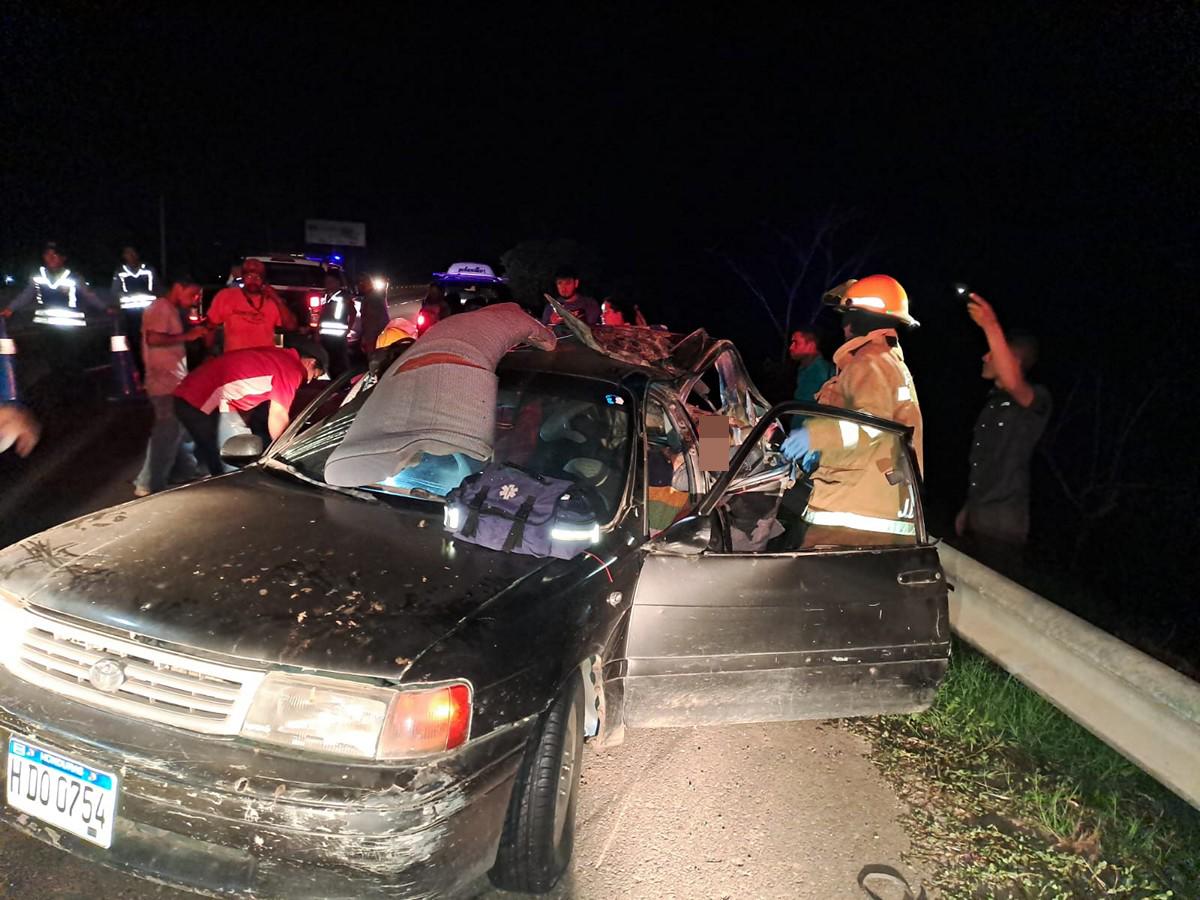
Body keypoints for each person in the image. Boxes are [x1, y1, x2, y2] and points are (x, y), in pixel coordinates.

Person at [780, 275, 923, 546]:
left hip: (854, 515)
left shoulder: (870, 362)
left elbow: (871, 424)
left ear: (859, 317)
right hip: (867, 507)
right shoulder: (882, 361)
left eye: (847, 315)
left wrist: (814, 437)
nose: (844, 325)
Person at [955, 293, 1052, 567]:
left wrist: (991, 325)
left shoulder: (1036, 400)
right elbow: (986, 464)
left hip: (1002, 528)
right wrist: (968, 509)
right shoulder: (993, 404)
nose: (985, 356)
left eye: (993, 350)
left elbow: (1014, 383)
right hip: (978, 518)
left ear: (1014, 360)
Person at [174, 342, 328, 476]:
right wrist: (286, 452)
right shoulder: (292, 369)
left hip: (201, 394)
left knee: (234, 450)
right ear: (310, 362)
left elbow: (245, 390)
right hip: (200, 398)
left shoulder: (278, 356)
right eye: (313, 376)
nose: (308, 381)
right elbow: (278, 415)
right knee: (226, 462)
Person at [132, 279, 207, 496]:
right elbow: (153, 338)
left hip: (173, 379)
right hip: (163, 381)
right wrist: (187, 336)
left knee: (179, 427)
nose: (195, 300)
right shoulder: (160, 307)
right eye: (192, 293)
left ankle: (186, 470)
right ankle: (147, 483)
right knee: (166, 430)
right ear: (178, 287)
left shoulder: (170, 309)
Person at [1, 242, 109, 327]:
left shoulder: (75, 278)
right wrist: (10, 309)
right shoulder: (38, 277)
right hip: (45, 326)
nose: (51, 257)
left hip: (72, 327)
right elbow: (25, 296)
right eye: (47, 254)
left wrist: (105, 308)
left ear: (63, 258)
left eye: (55, 254)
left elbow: (89, 296)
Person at [204, 258, 295, 352]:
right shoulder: (226, 296)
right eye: (249, 276)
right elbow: (210, 325)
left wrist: (277, 299)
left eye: (258, 277)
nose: (253, 280)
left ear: (263, 280)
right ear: (243, 277)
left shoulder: (271, 300)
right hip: (235, 358)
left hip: (263, 359)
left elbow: (291, 326)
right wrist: (208, 353)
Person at [317, 271, 358, 377]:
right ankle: (333, 384)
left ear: (337, 283)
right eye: (326, 282)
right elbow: (322, 316)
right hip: (325, 336)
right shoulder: (326, 297)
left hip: (338, 337)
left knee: (340, 362)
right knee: (329, 362)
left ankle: (344, 385)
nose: (328, 285)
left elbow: (353, 312)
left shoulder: (344, 296)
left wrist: (348, 329)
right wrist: (317, 332)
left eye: (330, 282)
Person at [788, 328, 836, 404]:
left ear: (811, 345)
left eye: (796, 343)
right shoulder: (805, 368)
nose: (791, 347)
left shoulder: (821, 372)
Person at [110, 245, 160, 311]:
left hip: (149, 308)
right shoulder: (120, 272)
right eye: (128, 253)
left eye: (133, 252)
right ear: (124, 256)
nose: (131, 255)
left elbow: (156, 288)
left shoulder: (148, 270)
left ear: (138, 254)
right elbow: (115, 291)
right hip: (127, 309)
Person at [351, 274, 390, 355]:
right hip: (374, 335)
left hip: (377, 334)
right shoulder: (367, 298)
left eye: (361, 283)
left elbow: (372, 318)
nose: (359, 286)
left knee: (378, 357)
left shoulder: (375, 295)